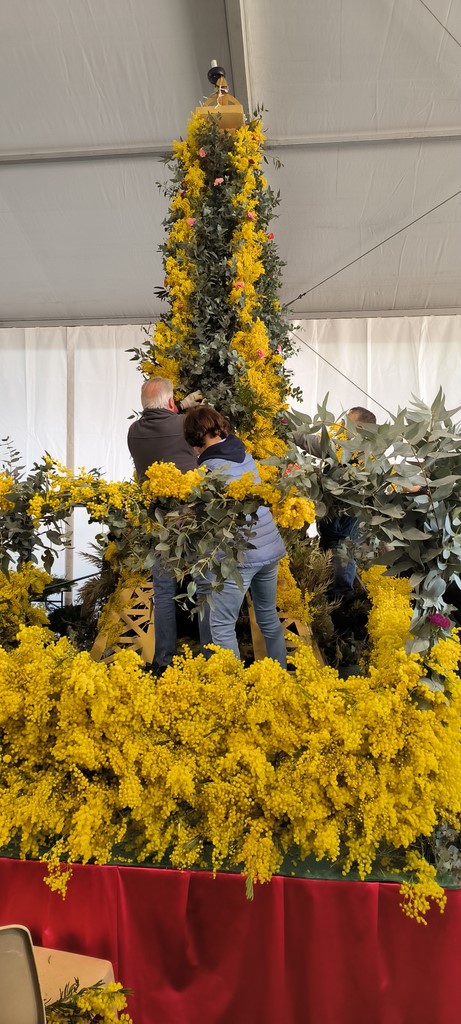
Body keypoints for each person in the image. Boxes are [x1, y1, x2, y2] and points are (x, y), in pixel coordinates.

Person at [183, 406, 287, 668]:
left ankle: (231, 685)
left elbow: (205, 516)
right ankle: (279, 675)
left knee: (221, 625)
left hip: (241, 555)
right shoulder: (243, 453)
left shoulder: (209, 468)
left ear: (195, 439)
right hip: (269, 546)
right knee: (267, 617)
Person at [127, 376, 209, 670]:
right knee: (205, 586)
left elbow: (159, 422)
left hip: (158, 521)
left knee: (163, 593)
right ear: (171, 402)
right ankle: (211, 658)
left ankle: (164, 661)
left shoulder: (133, 432)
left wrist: (181, 405)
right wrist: (189, 408)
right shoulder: (185, 426)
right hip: (193, 519)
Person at [293, 406, 377, 601]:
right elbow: (308, 441)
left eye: (346, 423)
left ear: (361, 429)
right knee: (326, 572)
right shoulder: (338, 447)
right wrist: (283, 426)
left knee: (340, 576)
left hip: (344, 532)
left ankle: (343, 609)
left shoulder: (369, 460)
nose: (340, 426)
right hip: (329, 528)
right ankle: (329, 608)